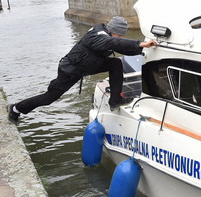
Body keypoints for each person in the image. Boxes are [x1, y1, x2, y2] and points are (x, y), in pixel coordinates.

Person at [7, 16, 156, 124]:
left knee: (115, 63)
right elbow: (114, 42)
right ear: (111, 30)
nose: (119, 37)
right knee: (49, 98)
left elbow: (118, 44)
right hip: (70, 71)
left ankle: (115, 100)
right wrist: (140, 44)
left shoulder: (107, 34)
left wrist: (143, 50)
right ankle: (16, 109)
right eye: (119, 34)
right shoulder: (98, 35)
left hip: (88, 66)